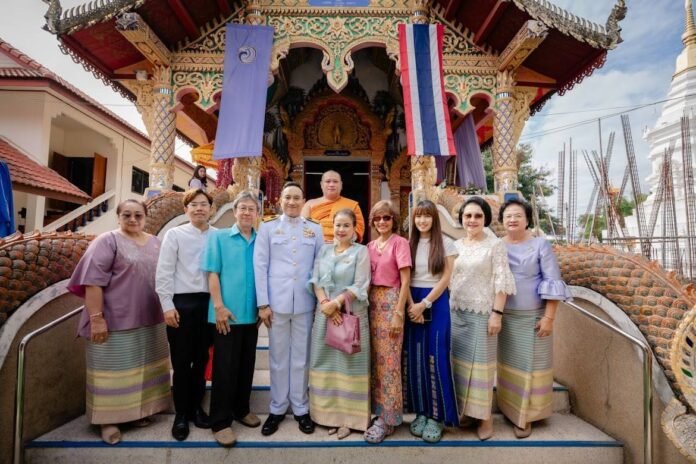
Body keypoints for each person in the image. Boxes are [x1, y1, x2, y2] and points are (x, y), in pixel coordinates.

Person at [67, 199, 170, 445]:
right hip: (114, 318)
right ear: (118, 217)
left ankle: (136, 413)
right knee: (111, 372)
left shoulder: (155, 242)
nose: (133, 219)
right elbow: (93, 280)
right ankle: (107, 420)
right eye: (127, 215)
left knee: (142, 369)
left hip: (150, 317)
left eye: (138, 215)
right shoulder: (107, 241)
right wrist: (96, 319)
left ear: (145, 217)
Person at [497, 198, 571, 438]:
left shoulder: (540, 245)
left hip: (534, 316)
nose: (512, 219)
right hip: (505, 316)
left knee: (532, 367)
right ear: (502, 220)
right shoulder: (497, 245)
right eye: (508, 215)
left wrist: (549, 317)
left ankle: (526, 417)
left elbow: (552, 279)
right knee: (509, 367)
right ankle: (509, 408)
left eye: (517, 215)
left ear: (527, 219)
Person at [254, 182, 324, 436]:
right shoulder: (268, 227)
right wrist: (263, 303)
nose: (292, 202)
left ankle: (301, 408)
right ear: (280, 201)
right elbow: (260, 266)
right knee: (278, 357)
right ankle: (277, 408)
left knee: (301, 358)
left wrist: (319, 301)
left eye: (297, 198)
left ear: (303, 201)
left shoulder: (314, 230)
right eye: (288, 198)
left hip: (305, 302)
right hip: (276, 303)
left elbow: (320, 265)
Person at [450, 196, 516, 441]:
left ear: (485, 218)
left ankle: (485, 417)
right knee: (461, 367)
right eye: (468, 216)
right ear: (462, 219)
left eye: (478, 215)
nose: (472, 220)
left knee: (481, 370)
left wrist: (496, 314)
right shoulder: (456, 245)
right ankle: (467, 412)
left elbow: (502, 281)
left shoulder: (495, 245)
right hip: (456, 312)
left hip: (482, 314)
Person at [201, 191, 260, 447]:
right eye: (243, 208)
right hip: (225, 314)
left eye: (252, 209)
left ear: (257, 214)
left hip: (251, 315)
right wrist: (219, 306)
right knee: (224, 368)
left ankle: (241, 408)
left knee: (246, 365)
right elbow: (212, 274)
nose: (247, 213)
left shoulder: (261, 240)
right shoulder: (219, 237)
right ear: (234, 212)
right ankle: (220, 422)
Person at [155, 189, 215, 441]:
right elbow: (164, 271)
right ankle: (181, 414)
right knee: (181, 361)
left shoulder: (218, 236)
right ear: (185, 209)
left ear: (211, 209)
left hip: (209, 304)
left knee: (201, 359)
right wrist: (167, 305)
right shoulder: (175, 235)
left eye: (204, 204)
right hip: (182, 303)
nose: (199, 208)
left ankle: (196, 408)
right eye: (194, 205)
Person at [308, 208, 371, 440]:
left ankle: (349, 419)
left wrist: (336, 303)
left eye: (346, 225)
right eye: (337, 225)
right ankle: (328, 417)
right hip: (325, 314)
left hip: (350, 316)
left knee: (349, 365)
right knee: (325, 364)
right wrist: (325, 303)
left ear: (355, 228)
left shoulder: (361, 252)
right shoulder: (324, 250)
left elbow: (361, 284)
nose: (341, 229)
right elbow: (315, 279)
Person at [404, 200, 459, 443]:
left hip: (434, 301)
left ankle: (438, 416)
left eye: (427, 216)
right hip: (411, 299)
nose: (422, 221)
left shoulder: (446, 243)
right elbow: (403, 277)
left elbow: (446, 277)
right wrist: (409, 305)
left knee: (435, 355)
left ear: (434, 219)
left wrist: (424, 303)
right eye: (418, 216)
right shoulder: (408, 244)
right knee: (415, 357)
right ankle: (422, 412)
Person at [364, 200, 411, 443]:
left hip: (392, 302)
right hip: (371, 305)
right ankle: (377, 411)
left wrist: (399, 312)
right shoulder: (370, 246)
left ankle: (389, 418)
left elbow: (405, 281)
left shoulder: (400, 244)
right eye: (378, 218)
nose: (382, 222)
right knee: (374, 363)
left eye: (387, 218)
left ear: (393, 220)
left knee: (390, 363)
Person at [301, 170, 365, 243]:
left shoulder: (352, 205)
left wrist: (340, 241)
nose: (331, 184)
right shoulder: (309, 204)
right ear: (321, 184)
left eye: (335, 181)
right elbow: (302, 227)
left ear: (341, 185)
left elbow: (358, 230)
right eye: (328, 181)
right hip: (314, 247)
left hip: (343, 249)